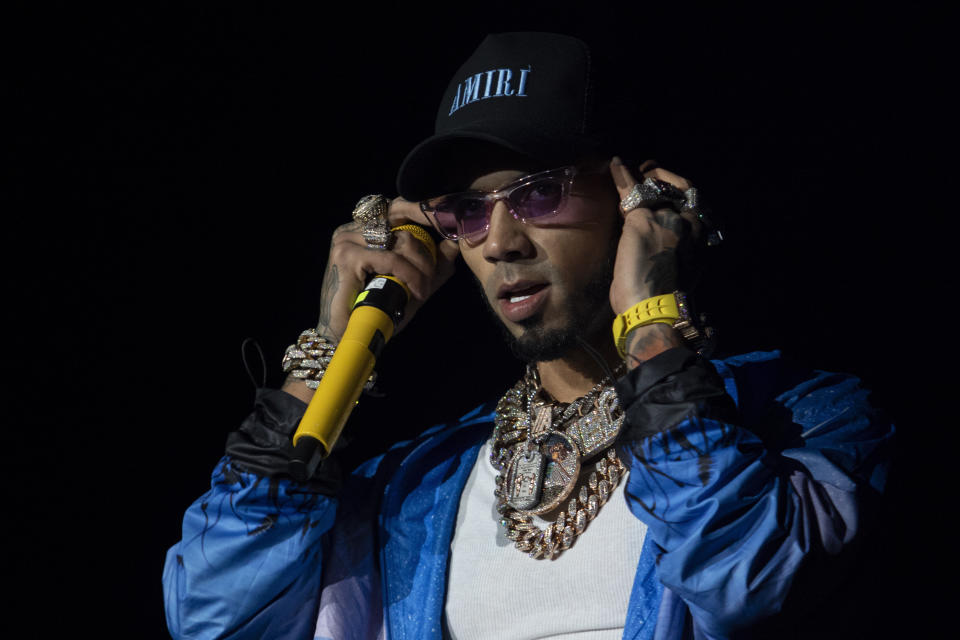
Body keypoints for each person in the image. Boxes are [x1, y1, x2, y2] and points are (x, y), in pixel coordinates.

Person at [163, 32, 894, 639]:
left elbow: (753, 582)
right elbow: (211, 617)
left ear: (637, 196)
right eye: (466, 212)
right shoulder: (418, 485)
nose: (501, 242)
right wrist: (328, 344)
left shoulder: (802, 418)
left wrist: (649, 311)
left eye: (539, 192)